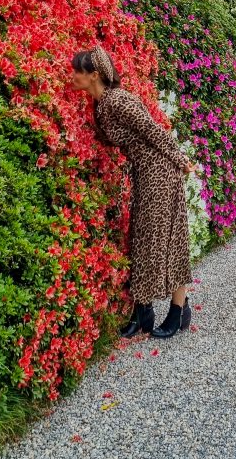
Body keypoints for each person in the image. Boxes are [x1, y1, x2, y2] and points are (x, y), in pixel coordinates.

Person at [71, 44, 195, 340]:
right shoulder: (103, 103)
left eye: (78, 71)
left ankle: (178, 312)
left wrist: (180, 161)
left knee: (166, 239)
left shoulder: (117, 101)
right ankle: (143, 314)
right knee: (142, 239)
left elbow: (154, 131)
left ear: (95, 75)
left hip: (160, 171)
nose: (73, 76)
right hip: (146, 170)